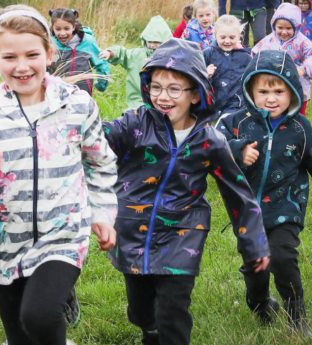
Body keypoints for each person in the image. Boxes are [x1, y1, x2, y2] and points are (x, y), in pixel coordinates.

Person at [0, 5, 119, 345]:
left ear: (49, 53)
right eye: (10, 57)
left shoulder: (77, 105)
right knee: (21, 336)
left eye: (32, 54)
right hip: (4, 242)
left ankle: (53, 303)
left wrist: (102, 214)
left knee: (38, 316)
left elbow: (100, 163)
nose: (22, 66)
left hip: (64, 234)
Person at [103, 38, 270, 345]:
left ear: (195, 94)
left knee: (173, 308)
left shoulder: (210, 141)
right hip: (132, 229)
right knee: (140, 310)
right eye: (156, 87)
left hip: (183, 232)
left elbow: (239, 197)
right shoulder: (134, 124)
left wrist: (255, 244)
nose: (162, 96)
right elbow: (98, 138)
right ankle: (149, 330)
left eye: (174, 88)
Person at [216, 50, 311, 336]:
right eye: (264, 91)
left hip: (286, 205)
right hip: (244, 209)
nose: (272, 98)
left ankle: (297, 318)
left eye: (280, 90)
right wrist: (235, 150)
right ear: (249, 90)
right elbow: (210, 146)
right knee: (256, 264)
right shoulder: (236, 122)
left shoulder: (301, 129)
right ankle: (259, 303)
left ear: (292, 90)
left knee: (282, 256)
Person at [98, 16, 173, 109]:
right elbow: (123, 53)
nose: (152, 44)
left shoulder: (172, 58)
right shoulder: (137, 55)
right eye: (149, 41)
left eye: (157, 42)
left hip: (163, 104)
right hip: (137, 104)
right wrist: (110, 53)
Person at [253, 2, 312, 115]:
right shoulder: (269, 40)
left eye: (289, 28)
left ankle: (299, 131)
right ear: (274, 25)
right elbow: (255, 55)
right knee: (276, 113)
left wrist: (302, 69)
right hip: (274, 87)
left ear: (297, 26)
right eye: (280, 28)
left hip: (298, 86)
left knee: (298, 114)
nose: (284, 32)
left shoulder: (303, 42)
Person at [47, 8, 110, 95]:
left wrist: (102, 84)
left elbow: (100, 62)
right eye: (58, 29)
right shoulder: (50, 43)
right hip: (57, 89)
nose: (62, 33)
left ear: (74, 26)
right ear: (52, 27)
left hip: (82, 89)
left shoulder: (88, 41)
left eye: (66, 28)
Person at [204, 15, 252, 119]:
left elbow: (253, 77)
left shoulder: (245, 57)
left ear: (239, 36)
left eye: (232, 37)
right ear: (215, 35)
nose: (227, 41)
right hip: (212, 103)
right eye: (223, 37)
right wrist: (205, 73)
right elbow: (194, 73)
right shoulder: (208, 54)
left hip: (235, 104)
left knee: (228, 127)